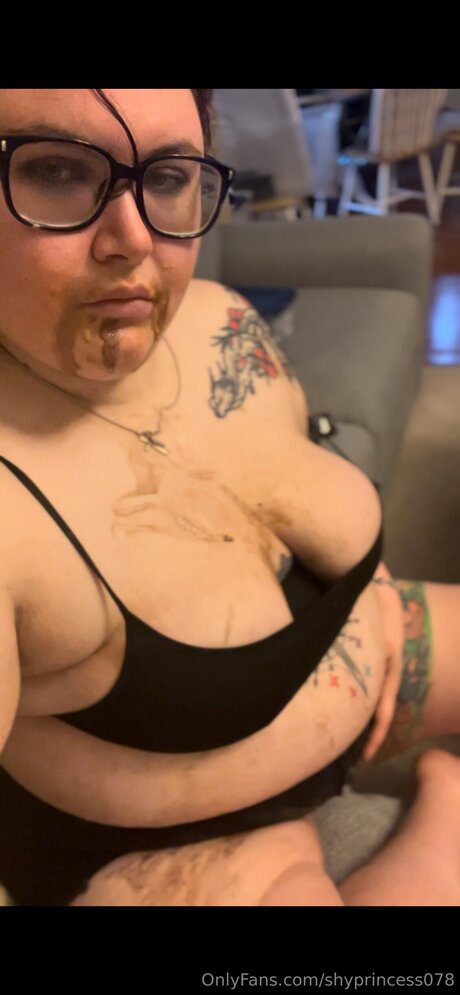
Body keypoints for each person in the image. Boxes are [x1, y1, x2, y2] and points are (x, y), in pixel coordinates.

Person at [0, 88, 459, 907]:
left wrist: (376, 602)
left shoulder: (221, 321)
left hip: (373, 647)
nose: (134, 238)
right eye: (58, 172)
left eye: (168, 177)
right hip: (187, 840)